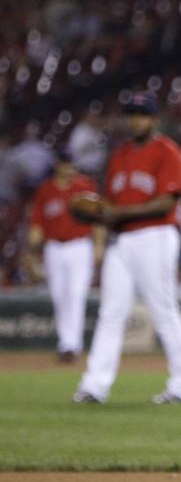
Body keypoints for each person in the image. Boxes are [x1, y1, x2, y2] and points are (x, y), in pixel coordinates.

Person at [73, 93, 181, 405]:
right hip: (121, 241)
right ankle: (95, 385)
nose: (135, 120)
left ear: (154, 119)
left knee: (164, 311)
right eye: (130, 114)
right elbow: (110, 202)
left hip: (155, 236)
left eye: (141, 114)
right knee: (111, 313)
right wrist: (102, 214)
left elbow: (167, 202)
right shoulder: (119, 155)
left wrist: (118, 213)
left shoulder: (168, 152)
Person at [27, 151, 104, 363]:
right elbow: (37, 223)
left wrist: (98, 245)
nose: (69, 167)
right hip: (53, 247)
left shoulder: (85, 186)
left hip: (80, 245)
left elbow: (97, 218)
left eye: (72, 163)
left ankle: (72, 345)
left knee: (76, 294)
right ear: (57, 164)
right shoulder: (45, 190)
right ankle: (65, 342)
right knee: (59, 296)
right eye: (66, 163)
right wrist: (32, 251)